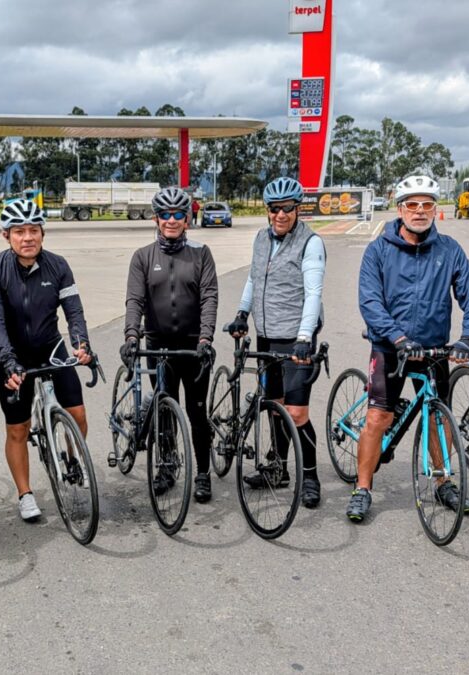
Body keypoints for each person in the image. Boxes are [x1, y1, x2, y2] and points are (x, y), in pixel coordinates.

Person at [349, 175, 469, 522]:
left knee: (439, 418)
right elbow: (370, 302)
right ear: (400, 209)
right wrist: (398, 338)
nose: (420, 211)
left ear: (435, 209)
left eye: (427, 204)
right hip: (390, 348)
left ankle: (442, 480)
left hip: (432, 349)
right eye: (412, 204)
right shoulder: (378, 250)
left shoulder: (449, 250)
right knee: (378, 417)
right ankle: (362, 488)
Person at [0, 199, 93, 522]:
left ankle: (73, 458)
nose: (27, 237)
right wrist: (8, 361)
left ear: (43, 233)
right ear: (6, 235)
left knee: (78, 413)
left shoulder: (58, 265)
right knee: (18, 428)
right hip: (13, 355)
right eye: (19, 231)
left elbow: (73, 310)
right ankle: (25, 494)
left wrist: (81, 343)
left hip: (51, 347)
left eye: (33, 230)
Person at [227, 176, 325, 507]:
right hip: (266, 336)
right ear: (267, 210)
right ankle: (278, 469)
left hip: (296, 340)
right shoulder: (261, 238)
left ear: (298, 209)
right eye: (274, 209)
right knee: (275, 407)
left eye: (287, 208)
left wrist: (304, 337)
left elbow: (313, 294)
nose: (280, 214)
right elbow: (254, 278)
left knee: (296, 412)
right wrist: (242, 312)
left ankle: (309, 477)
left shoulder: (311, 243)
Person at [122, 186, 218, 502]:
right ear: (156, 219)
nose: (172, 220)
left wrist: (206, 338)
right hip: (158, 347)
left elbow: (209, 297)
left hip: (193, 347)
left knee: (197, 412)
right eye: (165, 214)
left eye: (178, 214)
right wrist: (131, 336)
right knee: (164, 408)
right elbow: (135, 300)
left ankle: (202, 473)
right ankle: (166, 467)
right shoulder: (143, 257)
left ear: (187, 219)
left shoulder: (201, 253)